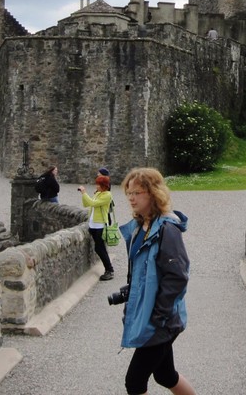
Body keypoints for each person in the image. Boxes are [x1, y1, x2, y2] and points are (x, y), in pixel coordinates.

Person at [119, 167, 196, 395]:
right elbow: (143, 273)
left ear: (153, 193)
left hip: (161, 321)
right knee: (165, 375)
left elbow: (178, 276)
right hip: (152, 316)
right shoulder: (138, 228)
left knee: (134, 382)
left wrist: (159, 315)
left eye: (137, 192)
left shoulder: (167, 229)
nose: (131, 198)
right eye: (129, 193)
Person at [79, 175, 115, 281]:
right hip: (93, 225)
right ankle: (109, 269)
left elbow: (92, 203)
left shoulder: (107, 195)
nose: (96, 186)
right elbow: (87, 204)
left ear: (104, 185)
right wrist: (84, 195)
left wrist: (84, 192)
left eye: (98, 184)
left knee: (99, 248)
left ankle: (110, 270)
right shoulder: (98, 193)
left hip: (100, 225)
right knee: (100, 248)